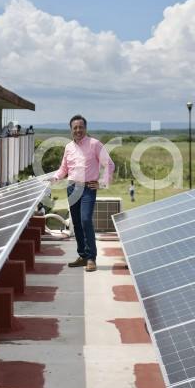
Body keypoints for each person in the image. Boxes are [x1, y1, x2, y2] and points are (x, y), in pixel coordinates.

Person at [52, 115, 115, 272]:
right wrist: (55, 177)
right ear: (71, 129)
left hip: (88, 188)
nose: (78, 130)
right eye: (75, 128)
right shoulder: (68, 147)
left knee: (86, 220)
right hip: (72, 188)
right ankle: (82, 256)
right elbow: (64, 169)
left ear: (85, 128)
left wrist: (101, 183)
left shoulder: (95, 144)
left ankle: (91, 258)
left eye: (81, 127)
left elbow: (109, 164)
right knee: (77, 223)